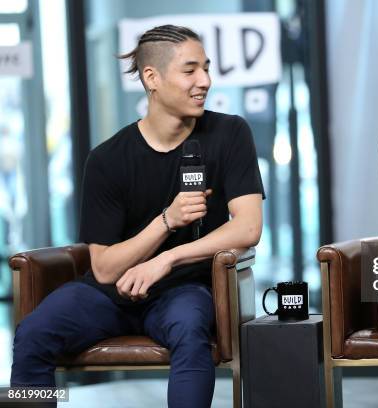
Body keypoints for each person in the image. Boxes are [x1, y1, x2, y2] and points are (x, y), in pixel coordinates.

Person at [11, 25, 264, 407]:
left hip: (185, 290)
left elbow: (248, 227)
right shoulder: (107, 159)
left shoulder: (230, 134)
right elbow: (106, 269)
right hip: (109, 296)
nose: (205, 81)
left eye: (206, 68)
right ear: (152, 78)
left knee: (190, 329)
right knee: (33, 333)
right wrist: (167, 221)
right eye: (191, 70)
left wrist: (167, 259)